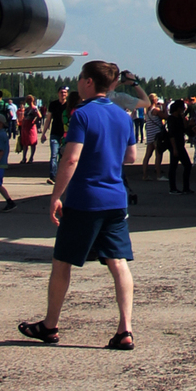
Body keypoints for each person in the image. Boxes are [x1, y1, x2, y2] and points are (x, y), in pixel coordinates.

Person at [19, 60, 139, 350]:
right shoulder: (123, 116)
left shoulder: (81, 115)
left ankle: (50, 325)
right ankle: (125, 329)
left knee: (62, 262)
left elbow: (70, 159)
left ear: (88, 82)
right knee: (118, 262)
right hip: (115, 199)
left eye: (79, 78)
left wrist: (56, 195)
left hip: (86, 199)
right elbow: (131, 158)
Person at [166, 91, 194, 194]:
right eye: (182, 108)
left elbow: (185, 129)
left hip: (180, 143)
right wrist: (174, 148)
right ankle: (173, 188)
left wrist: (185, 120)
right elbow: (171, 134)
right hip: (175, 145)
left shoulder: (179, 118)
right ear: (178, 108)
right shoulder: (171, 119)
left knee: (183, 166)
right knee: (177, 166)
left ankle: (185, 187)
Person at [48, 88, 68, 172]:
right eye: (61, 92)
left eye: (64, 92)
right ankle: (53, 175)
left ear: (67, 94)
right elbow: (48, 119)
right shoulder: (53, 104)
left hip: (66, 134)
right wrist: (44, 133)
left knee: (63, 155)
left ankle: (61, 173)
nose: (63, 94)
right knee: (54, 155)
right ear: (58, 93)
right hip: (55, 132)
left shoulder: (69, 105)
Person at [19, 99, 42, 169]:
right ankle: (24, 158)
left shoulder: (34, 108)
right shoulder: (26, 108)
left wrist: (35, 121)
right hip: (25, 126)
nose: (28, 102)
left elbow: (39, 116)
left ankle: (31, 157)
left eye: (29, 101)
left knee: (32, 142)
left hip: (31, 126)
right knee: (25, 143)